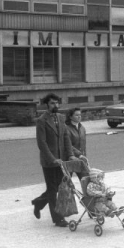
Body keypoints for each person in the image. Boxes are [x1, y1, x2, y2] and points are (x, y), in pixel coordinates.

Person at [31, 93, 74, 227]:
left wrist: (71, 154)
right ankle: (57, 218)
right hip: (49, 162)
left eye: (56, 103)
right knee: (52, 189)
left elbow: (66, 137)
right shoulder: (41, 121)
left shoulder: (61, 118)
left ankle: (39, 202)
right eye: (52, 103)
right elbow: (41, 143)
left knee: (59, 188)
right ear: (47, 105)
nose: (55, 106)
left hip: (62, 160)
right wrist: (52, 159)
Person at [65, 107, 89, 178]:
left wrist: (84, 155)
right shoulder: (66, 128)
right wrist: (79, 154)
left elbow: (83, 145)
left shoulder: (82, 128)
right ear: (70, 116)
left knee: (85, 179)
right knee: (67, 182)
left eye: (80, 115)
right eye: (76, 115)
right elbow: (68, 145)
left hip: (81, 159)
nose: (79, 117)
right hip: (70, 159)